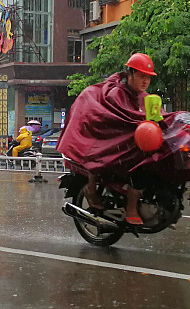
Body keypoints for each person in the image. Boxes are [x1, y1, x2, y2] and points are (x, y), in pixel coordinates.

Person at [56, 52, 167, 226]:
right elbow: (118, 121)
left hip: (139, 142)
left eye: (148, 78)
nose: (145, 81)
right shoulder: (116, 93)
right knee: (138, 166)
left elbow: (159, 117)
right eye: (141, 76)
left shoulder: (146, 97)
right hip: (111, 142)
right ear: (130, 74)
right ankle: (131, 208)